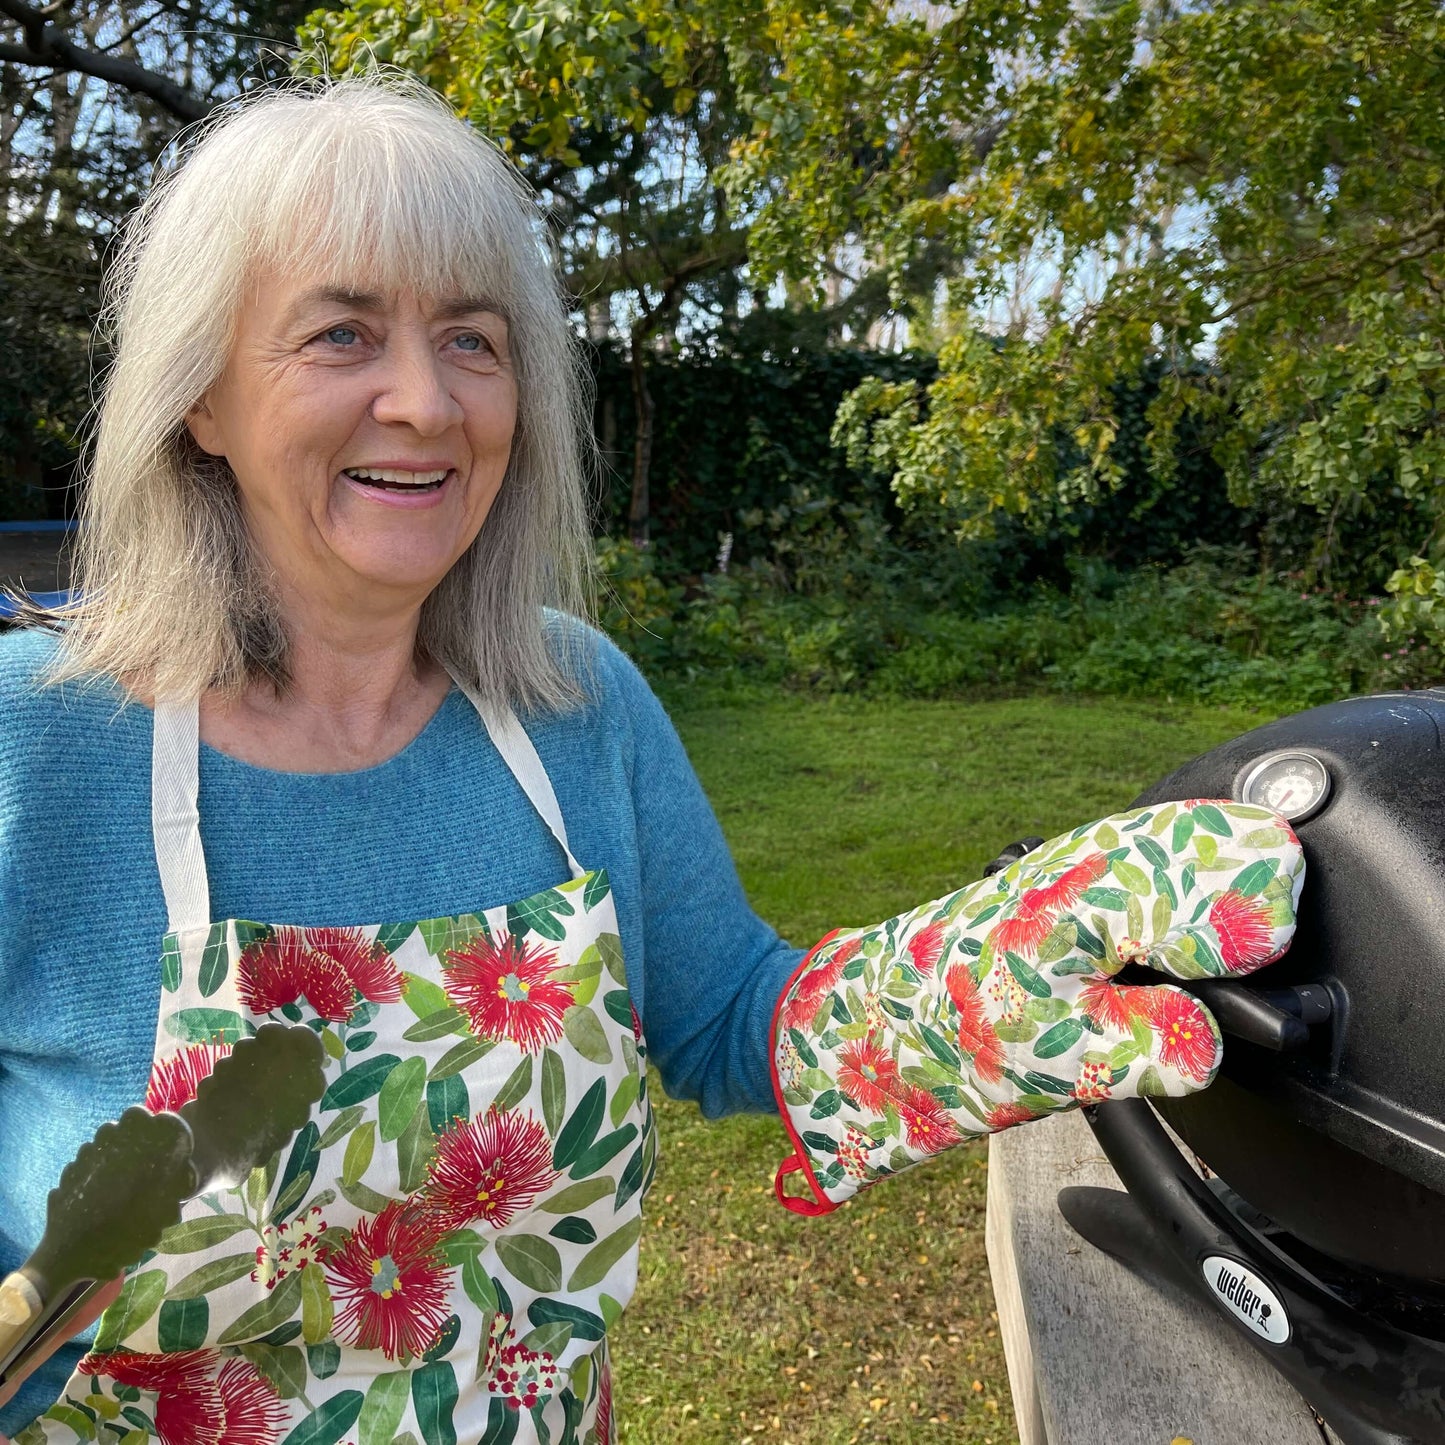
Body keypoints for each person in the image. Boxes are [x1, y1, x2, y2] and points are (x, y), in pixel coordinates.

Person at [0, 75, 1303, 1445]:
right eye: (340, 334)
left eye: (472, 339)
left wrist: (963, 980)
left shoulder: (572, 705)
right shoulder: (39, 744)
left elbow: (729, 1015)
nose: (425, 401)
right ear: (198, 396)